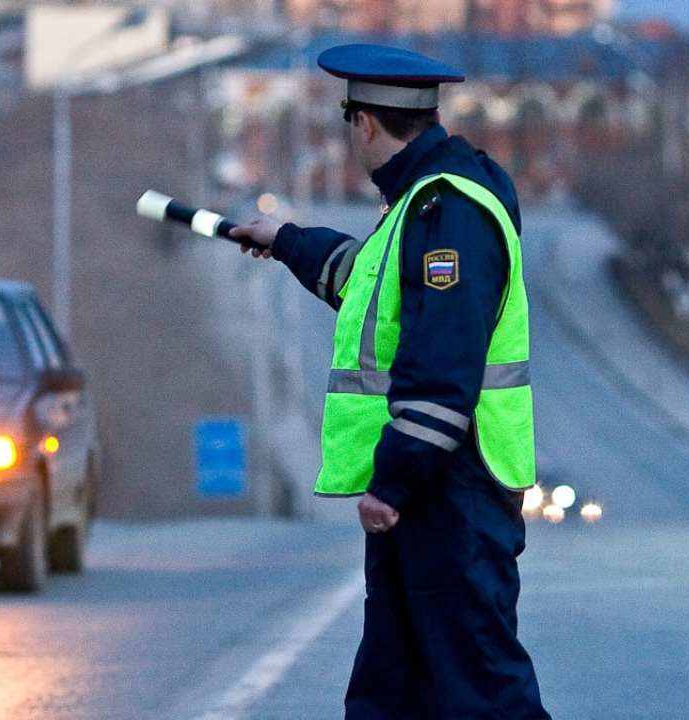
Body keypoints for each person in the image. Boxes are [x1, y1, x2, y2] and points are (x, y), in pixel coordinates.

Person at [229, 44, 551, 720]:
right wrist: (285, 239)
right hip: (433, 495)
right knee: (396, 689)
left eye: (348, 120)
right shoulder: (418, 206)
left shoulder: (449, 213)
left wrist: (392, 482)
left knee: (482, 693)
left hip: (450, 489)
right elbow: (362, 281)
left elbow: (444, 369)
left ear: (364, 123)